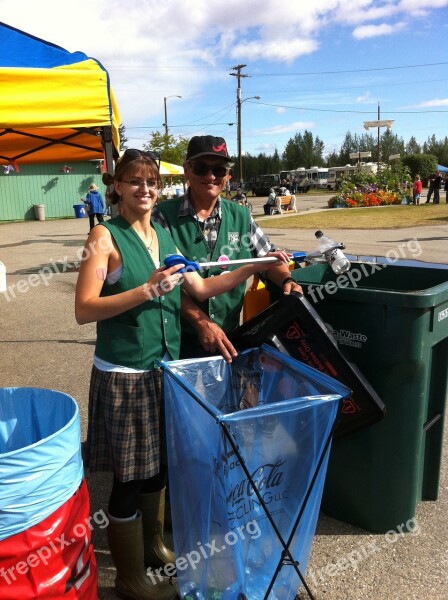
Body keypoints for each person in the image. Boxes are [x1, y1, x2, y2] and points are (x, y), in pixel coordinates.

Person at [74, 148, 287, 600]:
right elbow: (83, 310)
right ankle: (129, 578)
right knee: (129, 481)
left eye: (151, 181)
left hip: (162, 371)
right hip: (125, 374)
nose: (145, 189)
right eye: (134, 181)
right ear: (117, 187)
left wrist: (256, 266)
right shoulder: (103, 235)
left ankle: (153, 551)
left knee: (155, 473)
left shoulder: (162, 236)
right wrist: (146, 289)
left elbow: (205, 286)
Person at [153, 135, 302, 363]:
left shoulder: (241, 215)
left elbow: (269, 257)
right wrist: (201, 322)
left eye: (219, 170)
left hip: (229, 336)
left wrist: (286, 280)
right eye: (201, 168)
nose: (211, 176)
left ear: (228, 175)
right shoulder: (162, 216)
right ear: (187, 170)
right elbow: (165, 283)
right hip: (178, 339)